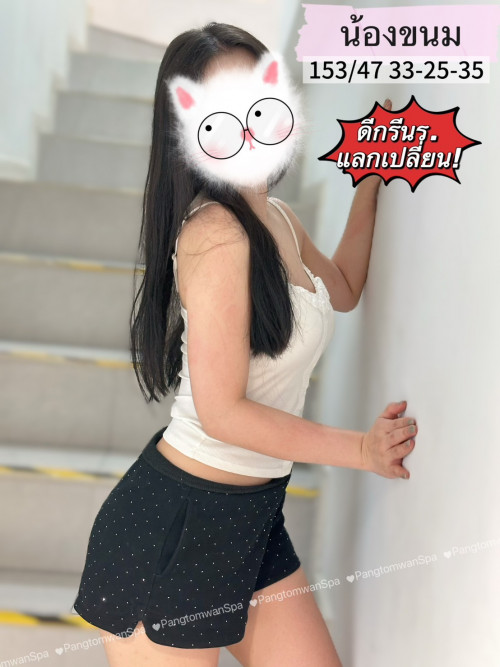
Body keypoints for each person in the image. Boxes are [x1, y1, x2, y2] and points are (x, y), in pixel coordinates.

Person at [72, 22, 417, 667]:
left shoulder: (277, 217)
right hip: (174, 529)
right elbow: (223, 412)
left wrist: (374, 175)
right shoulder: (215, 235)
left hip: (252, 519)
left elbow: (342, 288)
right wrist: (360, 450)